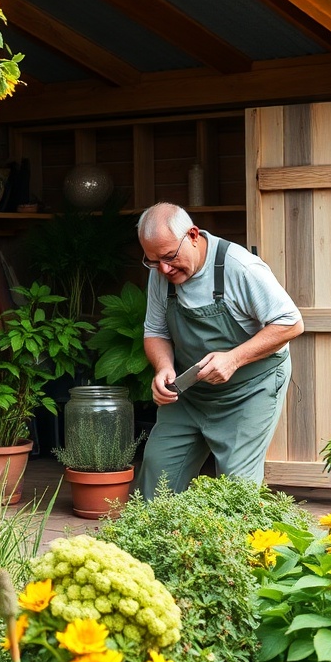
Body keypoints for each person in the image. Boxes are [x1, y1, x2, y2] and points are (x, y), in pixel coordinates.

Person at [135, 202, 304, 496]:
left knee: (235, 489)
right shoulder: (162, 273)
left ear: (193, 234)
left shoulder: (240, 267)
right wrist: (163, 366)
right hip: (190, 392)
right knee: (157, 472)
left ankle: (237, 544)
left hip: (249, 390)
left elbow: (291, 323)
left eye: (169, 257)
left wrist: (234, 358)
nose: (163, 268)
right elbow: (155, 331)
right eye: (152, 261)